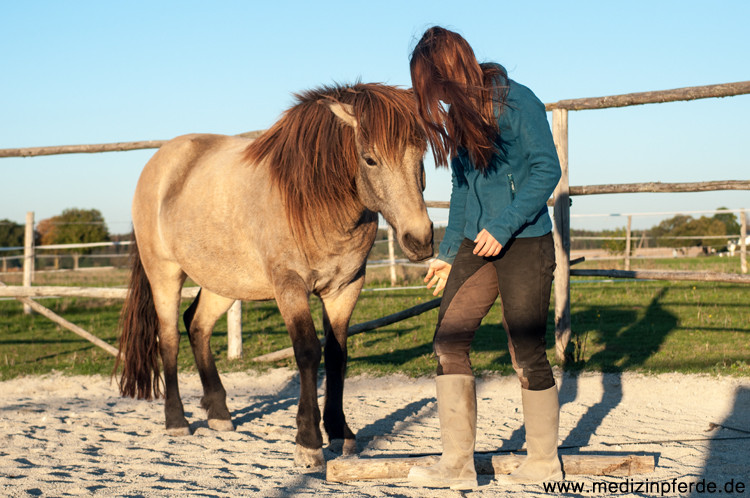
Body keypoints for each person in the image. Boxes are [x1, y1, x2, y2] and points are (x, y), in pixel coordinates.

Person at [407, 26, 563, 490]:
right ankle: (457, 465)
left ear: (448, 71)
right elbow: (461, 193)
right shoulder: (458, 118)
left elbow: (546, 169)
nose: (430, 96)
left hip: (526, 242)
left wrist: (504, 224)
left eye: (430, 84)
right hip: (477, 247)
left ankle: (543, 462)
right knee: (448, 343)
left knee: (525, 351)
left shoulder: (517, 102)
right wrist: (448, 253)